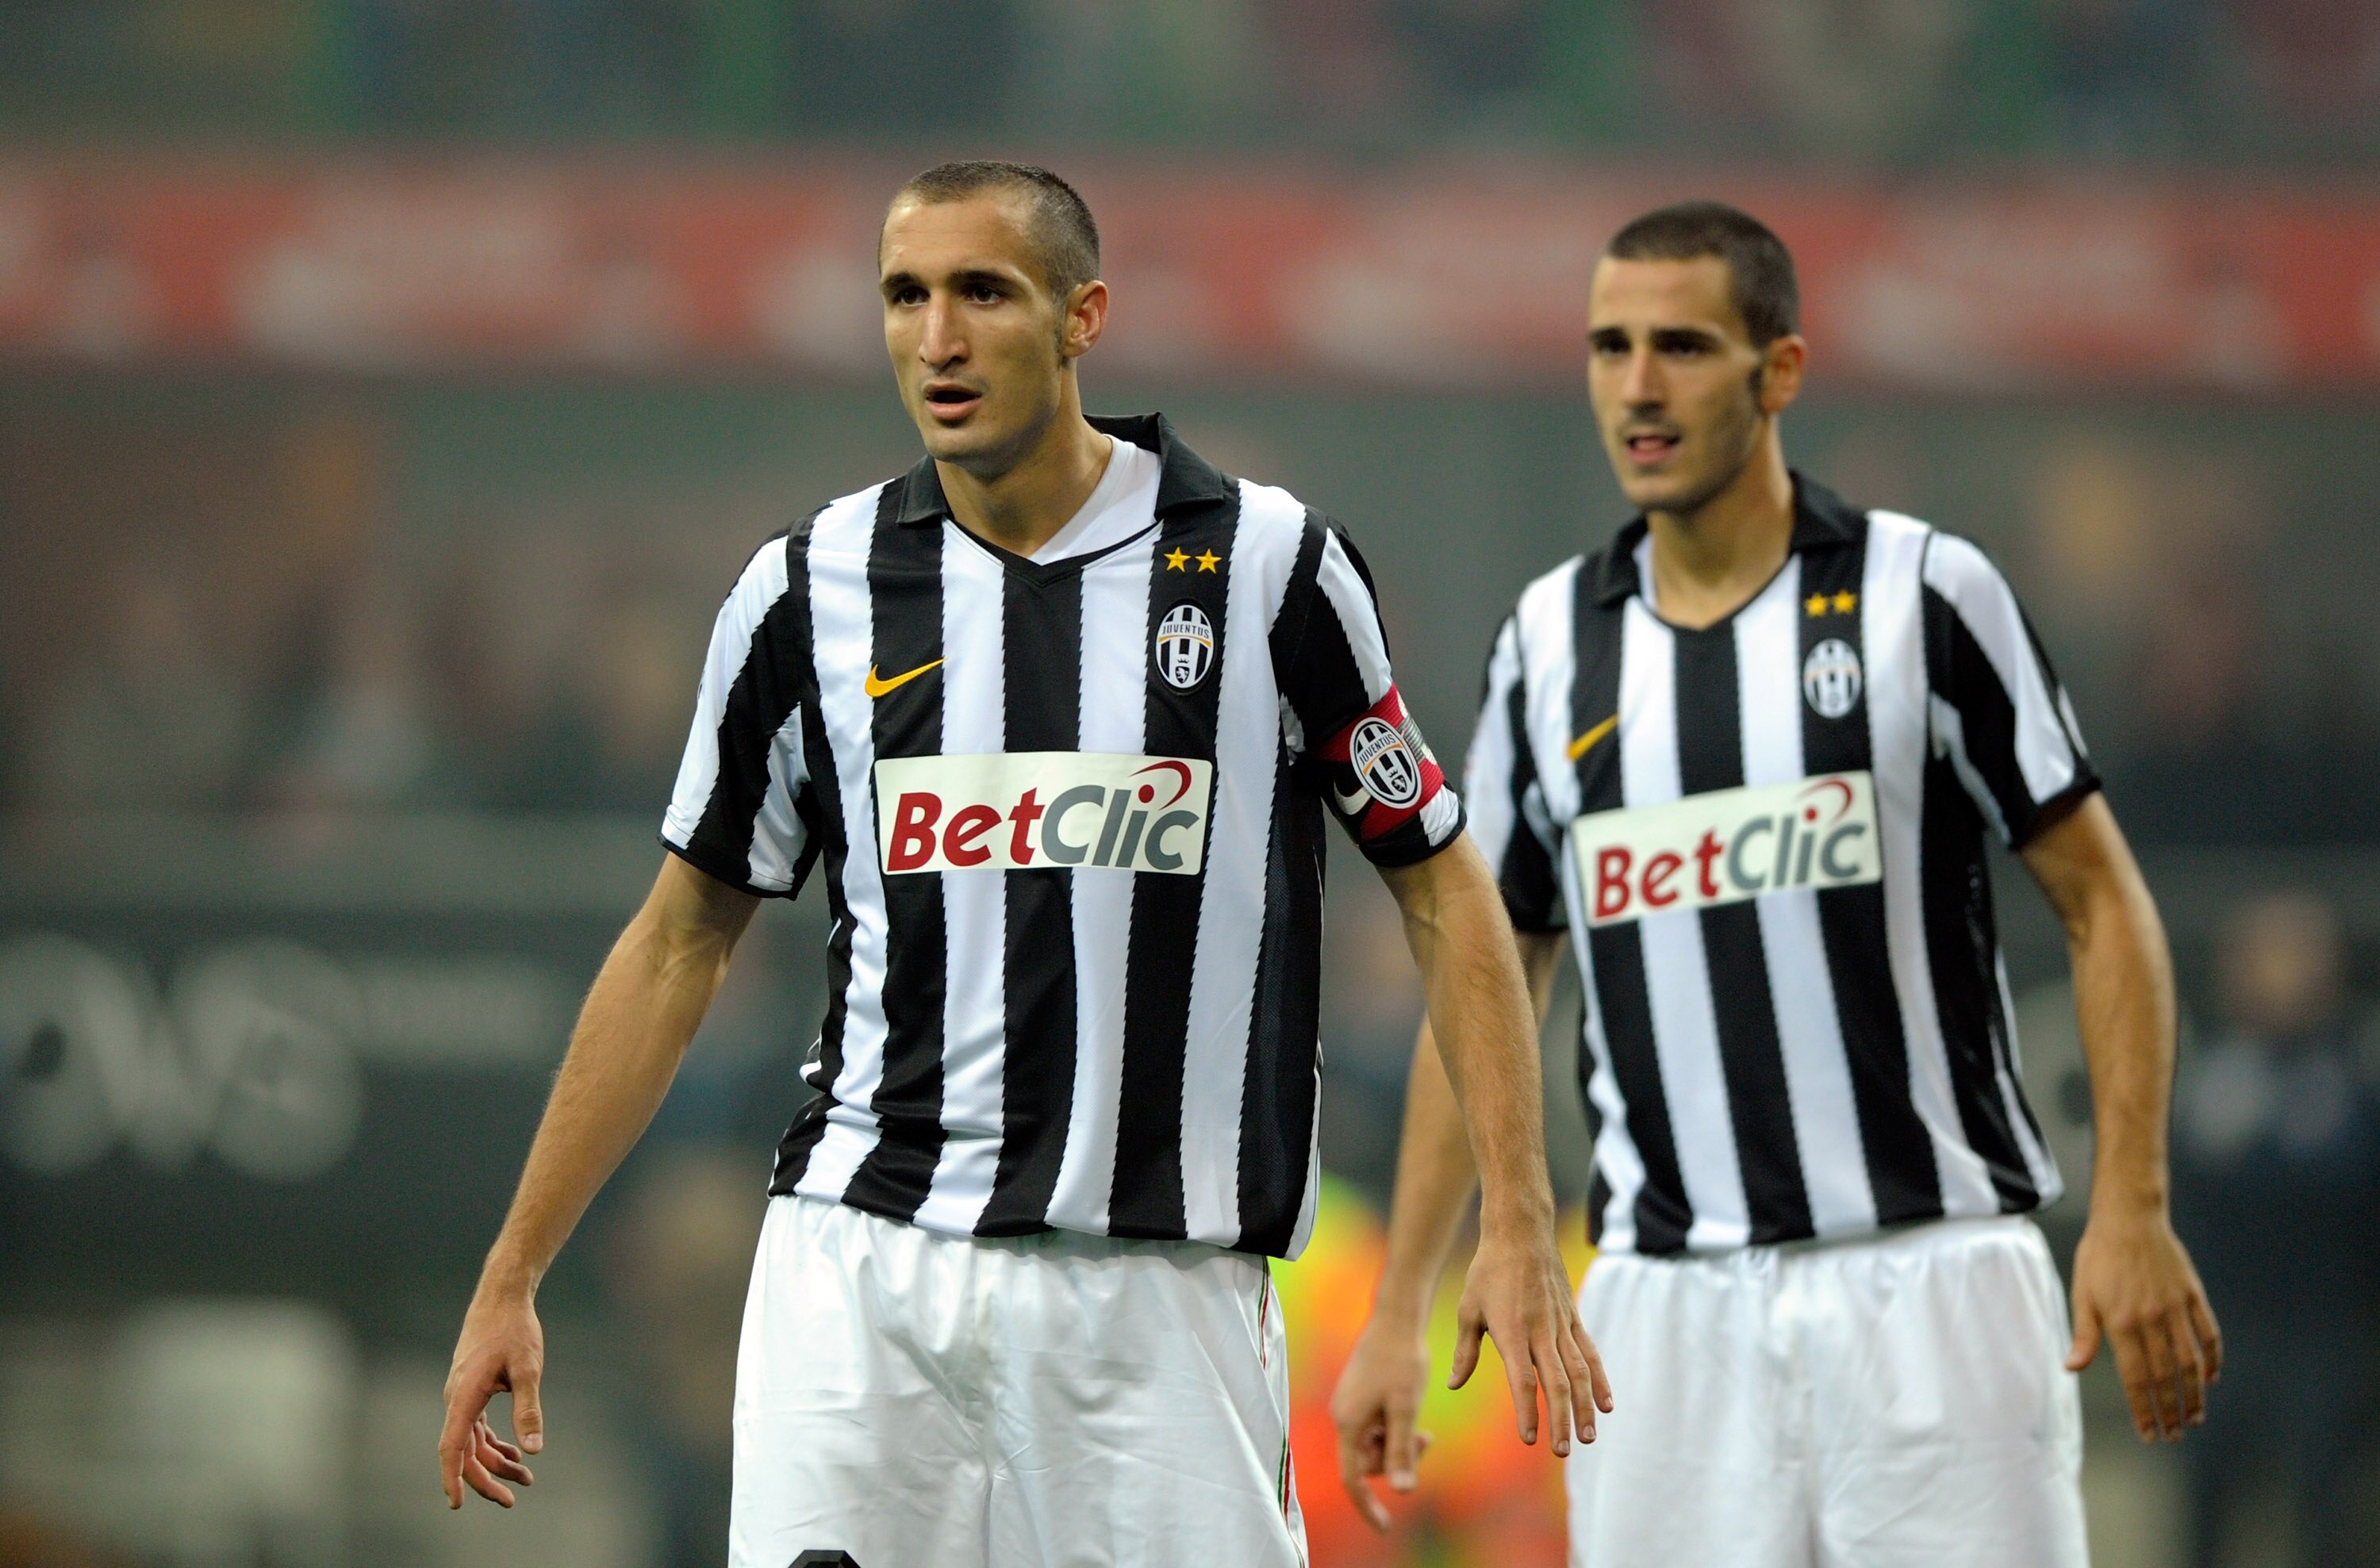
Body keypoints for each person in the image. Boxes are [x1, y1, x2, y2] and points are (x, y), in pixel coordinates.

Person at [437, 160, 1607, 1568]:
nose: (937, 337)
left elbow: (1440, 882)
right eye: (905, 296)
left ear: (1080, 316)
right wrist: (514, 1272)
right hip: (863, 1272)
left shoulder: (1268, 570)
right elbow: (679, 938)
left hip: (1153, 1300)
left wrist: (1519, 1215)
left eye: (982, 291)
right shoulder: (806, 595)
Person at [1331, 201, 2220, 1566]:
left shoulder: (1926, 596)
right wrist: (1403, 1305)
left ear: (1780, 370)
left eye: (1681, 345)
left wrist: (2135, 1204)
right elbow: (1494, 977)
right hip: (1661, 1311)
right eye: (1608, 346)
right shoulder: (1551, 643)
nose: (1637, 385)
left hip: (1932, 1279)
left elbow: (2102, 903)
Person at [2173, 889, 2378, 1567]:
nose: (2278, 973)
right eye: (2261, 955)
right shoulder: (2205, 1079)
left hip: (2328, 1338)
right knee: (2204, 1514)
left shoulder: (2357, 1074)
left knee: (2328, 1517)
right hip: (2220, 1335)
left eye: (2296, 954)